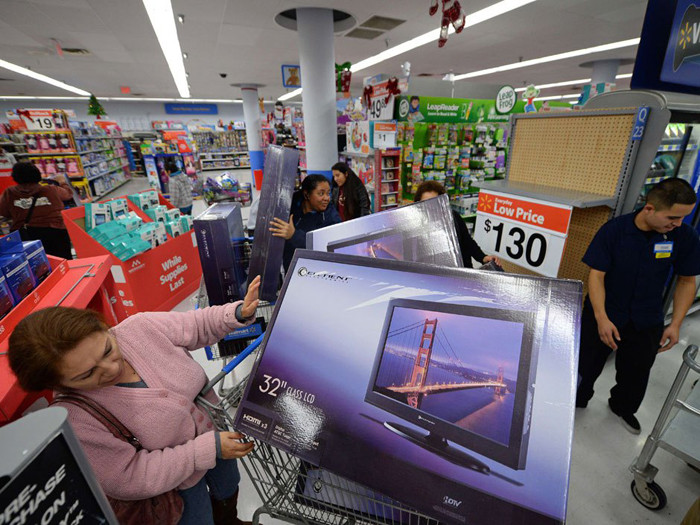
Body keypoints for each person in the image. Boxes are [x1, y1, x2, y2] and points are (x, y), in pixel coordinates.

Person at [8, 276, 263, 525]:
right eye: (87, 374)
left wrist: (236, 313)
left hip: (219, 437)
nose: (112, 368)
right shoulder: (78, 417)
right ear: (58, 383)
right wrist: (203, 451)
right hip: (175, 488)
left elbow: (196, 325)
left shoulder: (139, 329)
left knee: (228, 487)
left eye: (108, 349)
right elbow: (128, 476)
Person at [576, 178, 700, 434]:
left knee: (636, 372)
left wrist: (676, 324)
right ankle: (576, 400)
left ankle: (622, 407)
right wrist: (601, 318)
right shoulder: (614, 231)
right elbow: (596, 276)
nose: (678, 223)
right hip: (604, 312)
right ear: (649, 208)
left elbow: (687, 281)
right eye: (673, 217)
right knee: (584, 366)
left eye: (683, 218)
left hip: (646, 318)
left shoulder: (683, 236)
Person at [413, 181, 499, 268]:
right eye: (425, 202)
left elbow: (467, 241)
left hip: (460, 270)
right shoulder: (415, 226)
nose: (429, 206)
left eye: (433, 202)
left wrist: (483, 257)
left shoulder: (453, 217)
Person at [0, 161, 73, 259]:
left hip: (25, 235)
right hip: (55, 232)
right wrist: (62, 182)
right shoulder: (51, 190)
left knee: (34, 265)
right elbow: (68, 194)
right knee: (63, 261)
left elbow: (4, 212)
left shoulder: (9, 193)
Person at [270, 174, 341, 271]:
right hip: (290, 267)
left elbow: (326, 247)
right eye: (321, 193)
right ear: (307, 195)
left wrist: (294, 235)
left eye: (328, 193)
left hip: (315, 270)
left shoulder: (332, 217)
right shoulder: (289, 205)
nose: (326, 198)